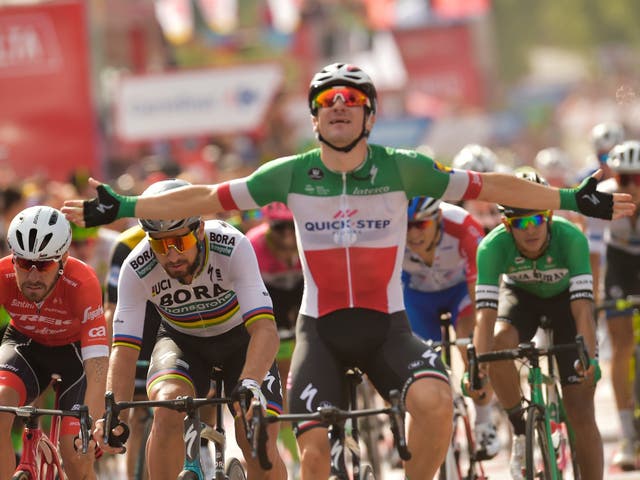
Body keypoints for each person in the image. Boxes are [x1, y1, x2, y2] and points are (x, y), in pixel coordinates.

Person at [63, 63, 634, 480]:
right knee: (312, 457)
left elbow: (492, 186)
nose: (339, 105)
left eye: (352, 98)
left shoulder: (404, 169)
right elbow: (207, 197)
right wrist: (128, 208)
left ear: (368, 113)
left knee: (437, 404)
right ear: (316, 115)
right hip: (322, 330)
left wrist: (569, 199)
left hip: (388, 325)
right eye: (328, 99)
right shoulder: (289, 173)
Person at [91, 179, 286, 480]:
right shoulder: (137, 266)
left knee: (255, 436)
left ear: (199, 230)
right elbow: (124, 349)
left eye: (179, 243)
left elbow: (264, 329)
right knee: (167, 408)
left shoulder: (231, 245)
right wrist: (114, 412)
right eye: (159, 244)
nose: (171, 256)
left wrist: (249, 384)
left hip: (241, 342)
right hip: (182, 341)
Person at [469, 168, 603, 480]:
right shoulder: (491, 247)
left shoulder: (571, 238)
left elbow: (583, 308)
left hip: (566, 303)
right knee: (500, 342)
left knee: (581, 407)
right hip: (522, 299)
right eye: (520, 223)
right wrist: (477, 365)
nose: (531, 230)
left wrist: (591, 358)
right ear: (506, 224)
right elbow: (485, 314)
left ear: (549, 217)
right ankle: (519, 429)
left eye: (537, 219)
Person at [0, 205, 108, 480]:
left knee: (76, 454)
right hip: (25, 345)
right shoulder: (2, 276)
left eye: (44, 264)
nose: (33, 276)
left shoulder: (82, 282)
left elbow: (96, 362)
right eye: (24, 263)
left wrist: (94, 424)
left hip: (75, 356)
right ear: (13, 259)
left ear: (63, 259)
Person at [402, 196, 500, 460]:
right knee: (420, 363)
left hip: (460, 292)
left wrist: (479, 350)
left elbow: (482, 303)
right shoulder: (388, 231)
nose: (412, 233)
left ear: (437, 220)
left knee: (470, 345)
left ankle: (484, 422)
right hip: (417, 296)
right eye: (406, 225)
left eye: (420, 225)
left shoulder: (464, 226)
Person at [588, 140, 640, 470]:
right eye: (625, 179)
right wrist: (592, 296)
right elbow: (592, 256)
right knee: (621, 346)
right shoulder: (603, 198)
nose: (632, 187)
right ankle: (627, 435)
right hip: (619, 264)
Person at [102, 223, 163, 479]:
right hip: (141, 326)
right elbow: (112, 308)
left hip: (181, 323)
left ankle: (202, 448)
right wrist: (106, 356)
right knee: (139, 415)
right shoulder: (127, 244)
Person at [245, 201, 303, 467]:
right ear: (268, 227)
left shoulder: (306, 240)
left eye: (292, 226)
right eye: (280, 228)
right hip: (270, 300)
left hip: (302, 293)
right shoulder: (253, 246)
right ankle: (294, 451)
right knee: (282, 370)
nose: (288, 234)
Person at [451, 143, 503, 234]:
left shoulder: (501, 208)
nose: (480, 191)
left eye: (486, 183)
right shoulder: (454, 211)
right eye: (473, 186)